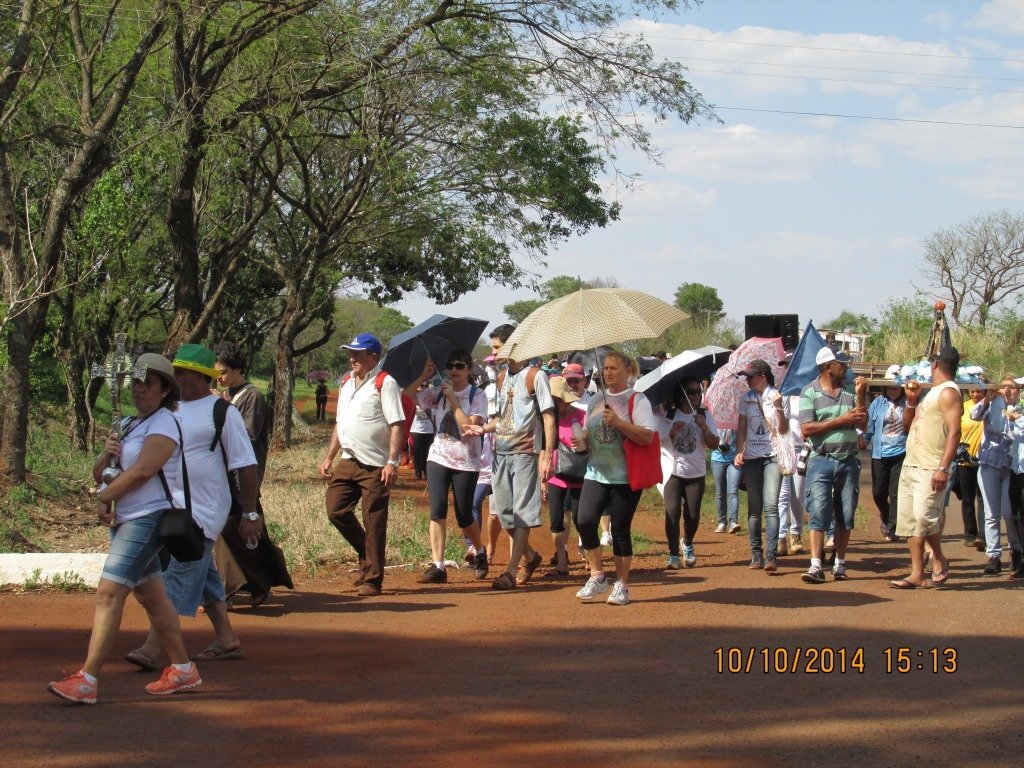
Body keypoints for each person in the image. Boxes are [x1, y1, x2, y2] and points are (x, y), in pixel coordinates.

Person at [47, 354, 201, 703]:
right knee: (153, 599)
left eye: (149, 383)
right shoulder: (130, 423)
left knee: (108, 592)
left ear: (165, 390)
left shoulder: (165, 423)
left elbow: (143, 471)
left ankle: (87, 680)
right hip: (127, 519)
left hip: (147, 517)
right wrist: (106, 454)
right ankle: (183, 669)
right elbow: (102, 473)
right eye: (137, 382)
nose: (139, 389)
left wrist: (105, 497)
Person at [127, 344, 260, 667]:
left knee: (179, 574)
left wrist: (250, 513)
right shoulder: (166, 410)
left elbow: (245, 465)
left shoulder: (223, 412)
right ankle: (226, 638)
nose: (175, 378)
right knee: (203, 572)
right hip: (169, 508)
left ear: (201, 377)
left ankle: (154, 647)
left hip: (205, 510)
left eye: (182, 372)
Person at [462, 324, 556, 590]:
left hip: (525, 453)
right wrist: (483, 428)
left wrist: (547, 455)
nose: (493, 353)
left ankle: (512, 571)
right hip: (500, 453)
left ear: (513, 345)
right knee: (504, 515)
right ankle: (531, 556)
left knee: (521, 514)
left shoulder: (536, 376)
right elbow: (504, 417)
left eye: (497, 347)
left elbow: (548, 416)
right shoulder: (502, 377)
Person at [319, 333, 406, 596]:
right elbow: (340, 424)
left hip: (375, 464)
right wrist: (329, 457)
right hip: (348, 459)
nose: (352, 358)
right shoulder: (346, 382)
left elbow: (397, 424)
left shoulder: (385, 383)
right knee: (335, 510)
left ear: (373, 357)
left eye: (357, 353)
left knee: (374, 520)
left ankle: (373, 579)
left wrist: (392, 462)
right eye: (351, 353)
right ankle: (367, 556)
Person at [573, 350, 658, 606]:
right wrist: (582, 439)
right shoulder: (595, 400)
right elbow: (589, 431)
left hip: (625, 477)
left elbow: (647, 436)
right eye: (605, 368)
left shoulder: (637, 400)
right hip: (596, 472)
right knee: (584, 520)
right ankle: (597, 575)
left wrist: (619, 423)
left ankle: (622, 585)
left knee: (620, 529)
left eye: (613, 368)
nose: (607, 372)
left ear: (627, 371)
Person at [212, 342, 292, 608]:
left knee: (247, 532)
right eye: (216, 373)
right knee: (228, 530)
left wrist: (225, 410)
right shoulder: (225, 395)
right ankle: (235, 586)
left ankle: (254, 582)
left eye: (223, 372)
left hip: (245, 476)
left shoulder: (252, 397)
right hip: (224, 476)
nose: (219, 378)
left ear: (238, 369)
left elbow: (247, 436)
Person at [406, 350, 490, 583]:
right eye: (450, 365)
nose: (454, 370)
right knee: (437, 509)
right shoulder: (438, 393)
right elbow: (408, 395)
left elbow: (468, 428)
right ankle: (438, 566)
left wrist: (453, 400)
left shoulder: (477, 395)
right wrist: (424, 375)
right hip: (438, 457)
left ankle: (479, 551)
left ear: (469, 369)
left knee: (464, 515)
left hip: (467, 462)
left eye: (459, 366)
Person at [889, 347, 961, 589]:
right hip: (911, 463)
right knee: (911, 522)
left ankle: (938, 556)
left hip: (931, 466)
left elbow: (955, 432)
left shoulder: (949, 392)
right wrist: (911, 402)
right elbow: (909, 426)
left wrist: (943, 468)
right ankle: (917, 573)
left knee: (924, 516)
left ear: (935, 365)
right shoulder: (930, 394)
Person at [799, 348, 867, 584]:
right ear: (828, 367)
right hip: (821, 459)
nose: (846, 367)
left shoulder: (850, 390)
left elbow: (863, 424)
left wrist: (860, 396)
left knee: (845, 514)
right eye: (841, 364)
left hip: (849, 460)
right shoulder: (809, 392)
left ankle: (840, 564)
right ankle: (815, 565)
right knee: (818, 511)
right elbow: (806, 429)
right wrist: (841, 420)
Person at [734, 359, 789, 573]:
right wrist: (740, 451)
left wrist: (779, 408)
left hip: (773, 456)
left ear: (762, 377)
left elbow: (783, 430)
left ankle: (771, 556)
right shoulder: (746, 399)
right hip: (752, 458)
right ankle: (756, 554)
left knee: (771, 506)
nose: (747, 380)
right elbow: (741, 429)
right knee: (754, 507)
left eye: (750, 376)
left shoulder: (777, 397)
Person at [658, 379, 718, 569]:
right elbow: (657, 441)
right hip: (672, 471)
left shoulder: (704, 415)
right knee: (672, 511)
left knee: (692, 515)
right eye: (691, 392)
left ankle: (688, 542)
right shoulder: (669, 415)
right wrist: (670, 433)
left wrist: (704, 427)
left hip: (696, 472)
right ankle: (673, 555)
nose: (696, 396)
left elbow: (715, 444)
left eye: (698, 392)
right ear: (682, 394)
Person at [971, 376, 1023, 575]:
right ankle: (993, 556)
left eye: (1012, 388)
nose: (1007, 391)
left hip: (1012, 467)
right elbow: (974, 415)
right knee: (991, 513)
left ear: (1018, 391)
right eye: (1004, 387)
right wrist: (987, 398)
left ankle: (1016, 550)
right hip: (990, 463)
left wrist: (1015, 419)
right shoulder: (992, 404)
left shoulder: (1021, 409)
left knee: (1009, 513)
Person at [544, 376, 587, 576]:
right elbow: (544, 448)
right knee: (555, 520)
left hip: (579, 475)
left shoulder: (582, 416)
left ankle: (589, 553)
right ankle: (562, 560)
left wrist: (582, 439)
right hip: (555, 475)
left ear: (565, 399)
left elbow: (588, 443)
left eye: (557, 400)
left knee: (581, 519)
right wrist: (542, 478)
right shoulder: (548, 419)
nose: (554, 404)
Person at [865, 384, 909, 542]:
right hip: (880, 453)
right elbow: (869, 427)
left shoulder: (909, 403)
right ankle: (886, 516)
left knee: (895, 492)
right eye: (889, 388)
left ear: (901, 389)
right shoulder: (878, 402)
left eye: (896, 388)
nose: (892, 391)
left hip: (901, 452)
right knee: (878, 492)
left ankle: (892, 527)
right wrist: (863, 442)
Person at [957, 386, 986, 549]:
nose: (976, 394)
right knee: (967, 499)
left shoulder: (989, 406)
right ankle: (970, 533)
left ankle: (983, 535)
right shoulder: (963, 407)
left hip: (985, 461)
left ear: (985, 391)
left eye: (979, 391)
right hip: (965, 460)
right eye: (973, 391)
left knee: (983, 499)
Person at [711, 427, 741, 534]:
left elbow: (742, 435)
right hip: (717, 459)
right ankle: (722, 523)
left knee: (733, 491)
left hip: (734, 459)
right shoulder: (715, 419)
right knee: (720, 493)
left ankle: (733, 522)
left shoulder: (736, 419)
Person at [408, 380, 436, 480]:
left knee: (428, 452)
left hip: (429, 430)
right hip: (416, 430)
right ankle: (418, 473)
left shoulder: (431, 397)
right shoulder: (413, 397)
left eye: (426, 386)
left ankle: (426, 472)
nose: (423, 388)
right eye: (421, 385)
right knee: (418, 452)